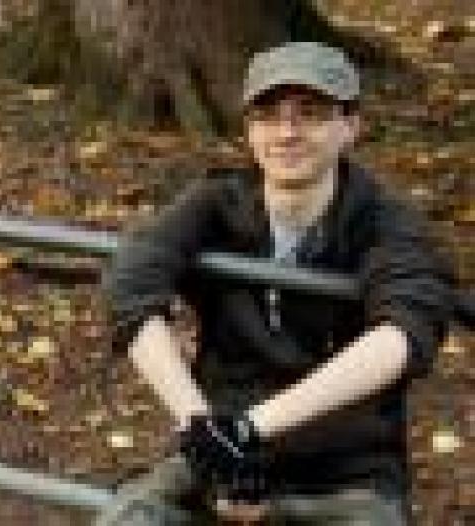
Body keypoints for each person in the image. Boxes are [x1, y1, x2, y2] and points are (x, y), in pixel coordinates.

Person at [97, 41, 456, 525]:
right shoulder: (215, 201)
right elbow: (131, 281)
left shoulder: (387, 221)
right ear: (249, 130)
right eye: (268, 115)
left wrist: (250, 428)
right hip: (220, 454)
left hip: (345, 473)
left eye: (310, 113)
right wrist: (202, 429)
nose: (287, 133)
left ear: (350, 126)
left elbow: (405, 331)